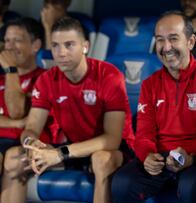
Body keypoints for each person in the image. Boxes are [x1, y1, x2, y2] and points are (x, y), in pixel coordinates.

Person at [1, 17, 135, 203]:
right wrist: (32, 144)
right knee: (14, 157)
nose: (61, 52)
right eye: (55, 46)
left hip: (116, 151)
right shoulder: (47, 80)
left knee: (101, 160)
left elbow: (112, 139)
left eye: (69, 45)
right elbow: (31, 128)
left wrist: (59, 154)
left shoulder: (109, 75)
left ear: (85, 47)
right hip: (73, 149)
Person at [111, 11, 196, 203]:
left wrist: (190, 157)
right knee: (121, 183)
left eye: (173, 39)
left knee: (189, 187)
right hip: (159, 158)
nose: (166, 47)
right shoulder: (150, 84)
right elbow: (143, 135)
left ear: (190, 42)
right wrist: (147, 156)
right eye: (160, 40)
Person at [0, 17, 52, 182]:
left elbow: (17, 112)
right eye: (7, 41)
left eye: (17, 41)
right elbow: (18, 120)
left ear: (35, 46)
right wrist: (16, 123)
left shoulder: (45, 78)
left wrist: (11, 70)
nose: (9, 47)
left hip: (20, 143)